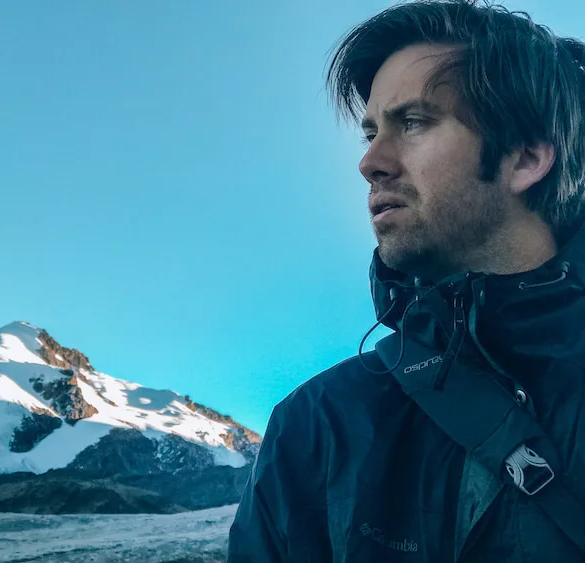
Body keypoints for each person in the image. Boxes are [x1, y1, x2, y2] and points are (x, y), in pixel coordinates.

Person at [226, 0, 585, 560]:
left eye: (413, 123)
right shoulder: (316, 424)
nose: (369, 162)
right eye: (370, 132)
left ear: (524, 158)